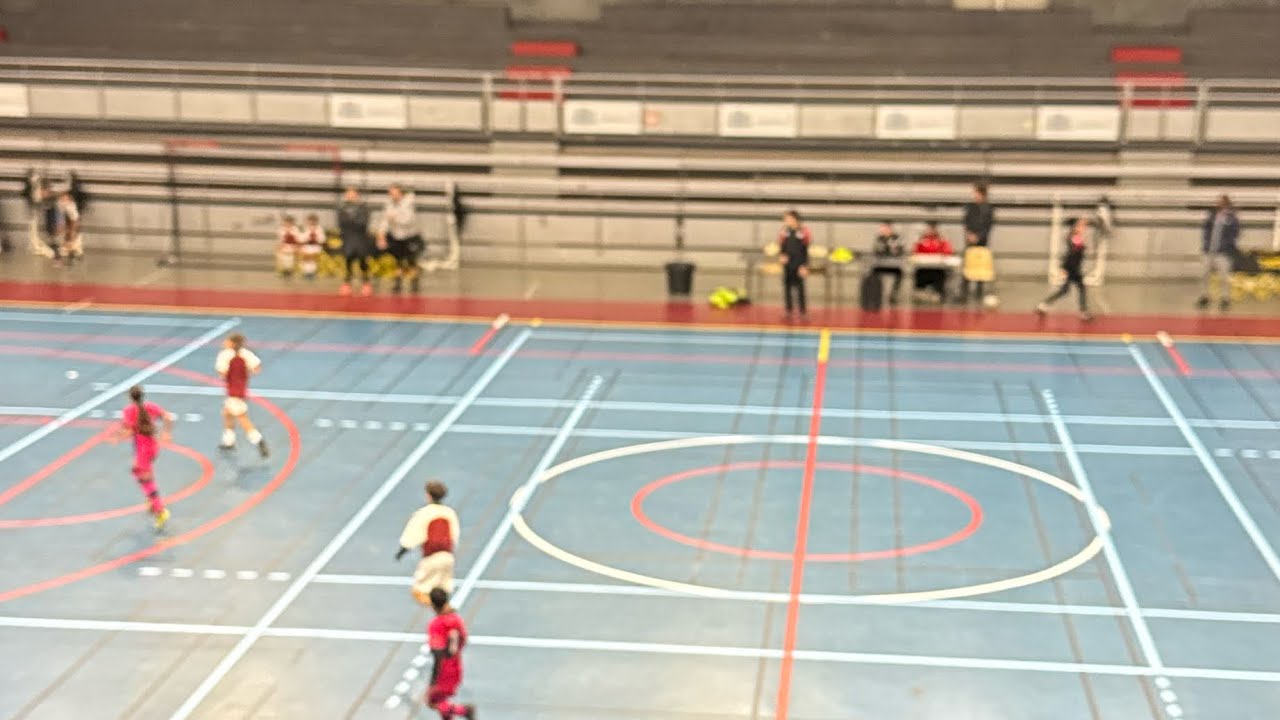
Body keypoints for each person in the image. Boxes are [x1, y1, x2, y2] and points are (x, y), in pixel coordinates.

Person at [113, 386, 172, 532]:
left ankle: (160, 510)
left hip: (143, 449)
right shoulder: (150, 407)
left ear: (130, 398)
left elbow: (127, 431)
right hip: (151, 446)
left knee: (145, 479)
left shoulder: (129, 411)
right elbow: (167, 417)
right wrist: (166, 433)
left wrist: (117, 437)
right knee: (138, 471)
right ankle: (152, 500)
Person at [396, 480, 460, 603]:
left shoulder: (424, 513)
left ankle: (441, 616)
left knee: (419, 591)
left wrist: (401, 551)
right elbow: (454, 535)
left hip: (432, 558)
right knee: (442, 593)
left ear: (428, 495)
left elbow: (412, 536)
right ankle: (447, 616)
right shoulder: (450, 513)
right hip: (448, 557)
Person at [424, 588, 475, 719]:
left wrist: (432, 682)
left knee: (432, 701)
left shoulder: (436, 624)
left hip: (444, 670)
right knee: (442, 702)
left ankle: (464, 711)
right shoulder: (456, 619)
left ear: (432, 604)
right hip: (456, 665)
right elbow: (464, 639)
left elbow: (438, 654)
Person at [216, 333, 269, 458]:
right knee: (227, 413)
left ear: (232, 343)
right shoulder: (246, 354)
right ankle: (229, 441)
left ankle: (258, 440)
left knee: (242, 417)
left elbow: (222, 372)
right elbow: (257, 367)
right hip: (241, 388)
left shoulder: (225, 355)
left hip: (233, 390)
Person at [1037, 216, 1093, 321]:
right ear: (1075, 227)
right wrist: (1064, 269)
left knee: (1065, 290)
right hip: (1072, 268)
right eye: (1080, 226)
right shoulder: (1075, 237)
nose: (1083, 227)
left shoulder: (1075, 236)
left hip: (1072, 267)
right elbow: (1072, 254)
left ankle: (1043, 305)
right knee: (1080, 289)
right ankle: (1083, 312)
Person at [378, 184, 424, 294]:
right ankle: (397, 283)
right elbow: (385, 220)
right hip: (396, 236)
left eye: (394, 193)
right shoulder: (389, 204)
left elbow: (408, 220)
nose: (392, 195)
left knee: (411, 261)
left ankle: (414, 283)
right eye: (391, 193)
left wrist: (395, 218)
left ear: (400, 193)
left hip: (410, 236)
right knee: (397, 261)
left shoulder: (408, 203)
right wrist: (381, 235)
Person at [1198, 194, 1240, 311]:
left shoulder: (1232, 218)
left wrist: (1228, 245)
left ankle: (1225, 298)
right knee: (1204, 275)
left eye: (1221, 202)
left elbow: (1235, 233)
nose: (1219, 204)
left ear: (1227, 203)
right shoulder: (1211, 215)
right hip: (1209, 250)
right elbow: (1205, 228)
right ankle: (1204, 296)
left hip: (1223, 252)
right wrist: (1206, 243)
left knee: (1224, 277)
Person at [958, 182, 995, 303]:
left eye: (976, 193)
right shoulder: (970, 207)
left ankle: (979, 292)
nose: (974, 195)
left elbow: (988, 226)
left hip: (982, 242)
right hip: (970, 241)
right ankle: (964, 293)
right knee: (967, 266)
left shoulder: (988, 209)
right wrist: (969, 234)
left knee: (980, 267)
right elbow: (966, 221)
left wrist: (978, 236)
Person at [337, 187, 374, 297]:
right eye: (348, 194)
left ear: (357, 195)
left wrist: (351, 222)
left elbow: (363, 223)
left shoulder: (363, 208)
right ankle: (347, 283)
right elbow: (341, 223)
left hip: (360, 238)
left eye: (352, 194)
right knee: (348, 260)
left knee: (363, 261)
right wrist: (351, 223)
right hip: (348, 238)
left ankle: (366, 283)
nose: (350, 196)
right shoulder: (342, 208)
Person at [777, 209, 811, 317]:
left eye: (788, 219)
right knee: (787, 287)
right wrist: (782, 255)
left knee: (800, 287)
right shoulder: (784, 231)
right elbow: (782, 246)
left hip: (799, 263)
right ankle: (788, 310)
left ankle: (802, 311)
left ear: (795, 219)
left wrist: (805, 265)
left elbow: (805, 249)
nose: (786, 221)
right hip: (788, 264)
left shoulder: (804, 231)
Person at [912, 220, 953, 302]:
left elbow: (948, 252)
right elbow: (915, 252)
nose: (931, 231)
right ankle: (920, 293)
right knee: (920, 274)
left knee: (940, 274)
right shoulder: (921, 241)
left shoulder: (942, 241)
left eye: (933, 229)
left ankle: (938, 294)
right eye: (929, 229)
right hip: (924, 268)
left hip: (938, 268)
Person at [870, 221, 905, 305]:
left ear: (890, 228)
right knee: (873, 272)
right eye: (882, 228)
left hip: (893, 264)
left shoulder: (896, 238)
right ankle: (875, 294)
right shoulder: (879, 238)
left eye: (886, 228)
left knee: (899, 273)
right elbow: (877, 250)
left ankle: (893, 295)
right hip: (881, 264)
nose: (884, 230)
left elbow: (898, 250)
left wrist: (892, 247)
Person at [298, 213, 325, 280]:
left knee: (312, 259)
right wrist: (307, 237)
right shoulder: (304, 228)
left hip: (315, 246)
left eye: (313, 220)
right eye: (310, 220)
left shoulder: (319, 229)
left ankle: (312, 272)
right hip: (306, 246)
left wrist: (316, 239)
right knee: (306, 258)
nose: (312, 222)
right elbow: (300, 238)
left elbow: (322, 239)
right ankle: (306, 272)